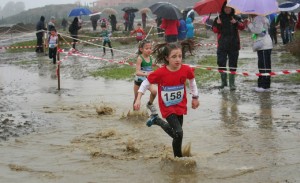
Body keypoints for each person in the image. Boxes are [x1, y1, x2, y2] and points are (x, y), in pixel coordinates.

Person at [133, 42, 200, 158]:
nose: (177, 59)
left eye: (180, 56)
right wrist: (138, 98)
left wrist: (195, 97)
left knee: (178, 135)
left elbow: (192, 82)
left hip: (180, 105)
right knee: (179, 133)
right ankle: (179, 159)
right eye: (174, 57)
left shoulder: (186, 69)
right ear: (166, 58)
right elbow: (145, 83)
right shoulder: (160, 72)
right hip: (167, 106)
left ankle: (157, 121)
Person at [212, 2, 246, 90]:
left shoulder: (236, 17)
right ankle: (223, 83)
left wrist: (236, 23)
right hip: (222, 45)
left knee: (233, 64)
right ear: (223, 8)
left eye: (229, 8)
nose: (227, 9)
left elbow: (242, 27)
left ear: (232, 8)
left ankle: (232, 84)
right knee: (221, 63)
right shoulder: (218, 18)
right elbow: (214, 30)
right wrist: (218, 24)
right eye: (225, 8)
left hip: (234, 45)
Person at [246, 15, 273, 92]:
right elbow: (256, 31)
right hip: (263, 45)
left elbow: (257, 30)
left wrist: (250, 24)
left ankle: (264, 86)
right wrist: (249, 24)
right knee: (263, 65)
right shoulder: (260, 18)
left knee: (264, 66)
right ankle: (262, 85)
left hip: (264, 45)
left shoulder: (258, 18)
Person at [133, 40, 158, 115]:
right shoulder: (140, 58)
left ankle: (150, 104)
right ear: (141, 49)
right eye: (147, 48)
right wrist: (147, 73)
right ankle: (134, 114)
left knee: (154, 92)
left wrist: (157, 65)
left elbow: (151, 64)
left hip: (148, 80)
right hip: (139, 80)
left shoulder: (150, 57)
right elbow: (137, 72)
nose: (149, 50)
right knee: (137, 98)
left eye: (150, 48)